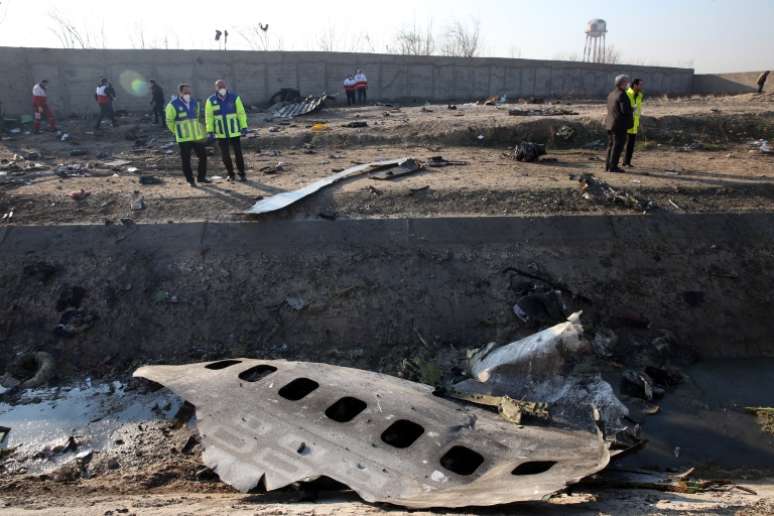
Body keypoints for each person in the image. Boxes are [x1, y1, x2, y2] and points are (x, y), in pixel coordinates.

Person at [165, 83, 210, 187]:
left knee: (203, 156)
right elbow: (169, 121)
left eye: (189, 92)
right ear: (180, 93)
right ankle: (190, 180)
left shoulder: (195, 103)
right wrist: (177, 132)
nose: (188, 94)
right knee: (186, 160)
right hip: (184, 138)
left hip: (196, 136)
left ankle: (201, 178)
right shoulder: (172, 105)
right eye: (186, 92)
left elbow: (197, 118)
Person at [204, 79, 248, 182]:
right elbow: (209, 117)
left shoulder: (234, 97)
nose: (222, 88)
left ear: (226, 86)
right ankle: (231, 174)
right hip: (221, 133)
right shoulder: (211, 100)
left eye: (223, 86)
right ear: (216, 88)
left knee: (238, 154)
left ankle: (242, 174)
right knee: (225, 156)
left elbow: (241, 113)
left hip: (234, 132)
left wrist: (244, 126)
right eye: (219, 87)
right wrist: (210, 131)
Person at [605, 74, 634, 173]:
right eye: (627, 82)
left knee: (611, 145)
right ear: (622, 83)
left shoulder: (611, 93)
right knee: (618, 146)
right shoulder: (622, 94)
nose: (628, 84)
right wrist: (632, 109)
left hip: (610, 123)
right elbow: (625, 110)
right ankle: (613, 167)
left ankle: (608, 166)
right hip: (619, 125)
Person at [623, 78, 645, 168]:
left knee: (631, 144)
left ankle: (627, 162)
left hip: (634, 123)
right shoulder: (627, 93)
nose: (641, 86)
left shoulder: (640, 95)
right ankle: (614, 162)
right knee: (621, 144)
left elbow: (639, 109)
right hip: (625, 122)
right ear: (635, 85)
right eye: (640, 84)